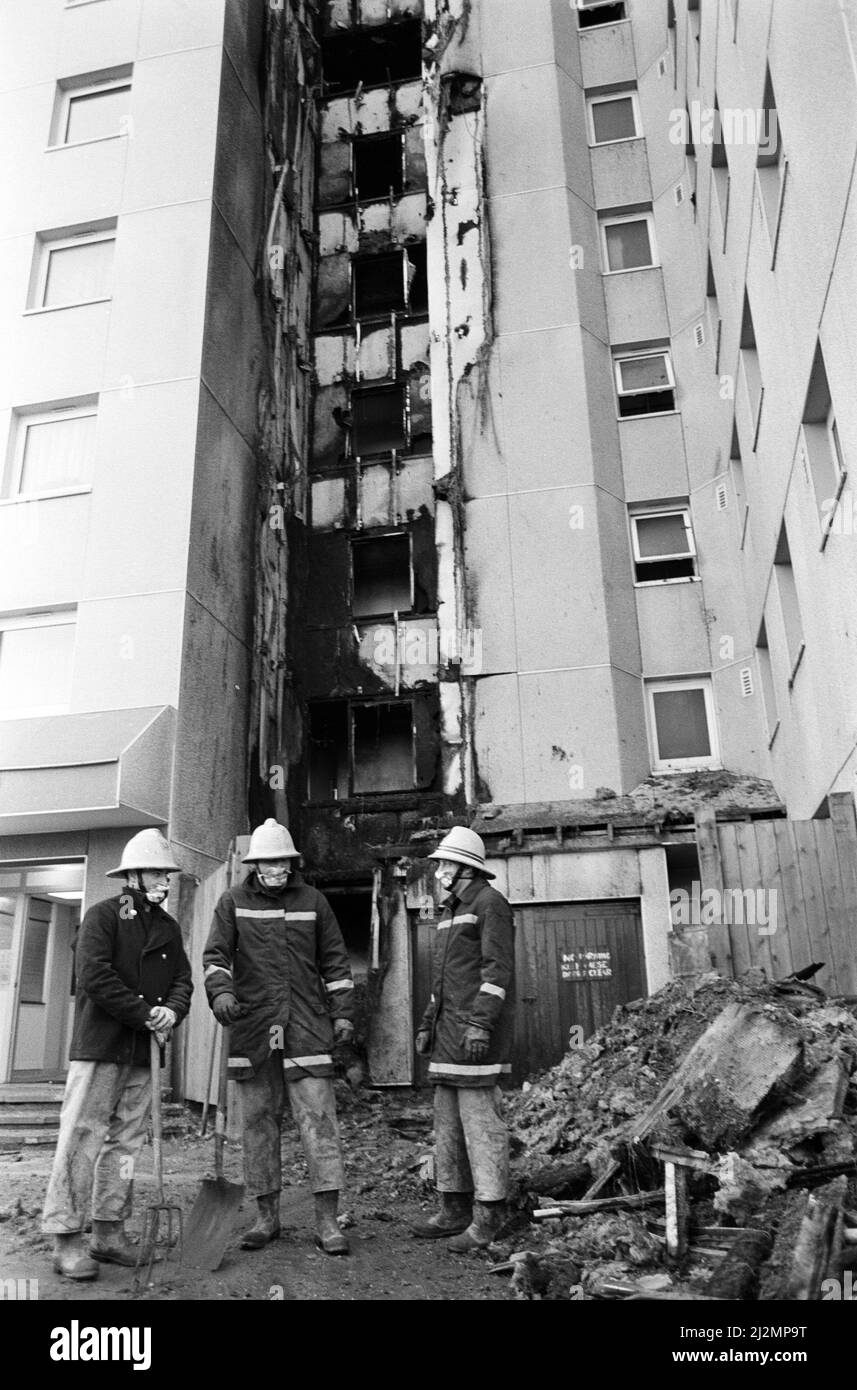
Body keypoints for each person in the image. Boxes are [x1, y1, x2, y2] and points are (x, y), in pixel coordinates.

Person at [41, 829, 193, 1280]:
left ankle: (109, 1231)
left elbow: (182, 980)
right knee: (81, 1138)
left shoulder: (168, 927)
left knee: (126, 1145)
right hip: (101, 1047)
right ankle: (66, 1238)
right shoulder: (104, 916)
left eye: (166, 872)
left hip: (143, 1054)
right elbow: (94, 976)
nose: (164, 880)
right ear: (132, 876)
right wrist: (146, 1014)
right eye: (155, 872)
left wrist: (172, 1011)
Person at [203, 819, 355, 1255]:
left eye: (285, 862)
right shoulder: (232, 902)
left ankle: (327, 1223)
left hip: (307, 1028)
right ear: (255, 865)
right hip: (255, 1030)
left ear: (292, 863)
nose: (279, 869)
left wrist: (343, 1013)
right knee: (257, 1126)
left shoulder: (314, 902)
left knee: (320, 1123)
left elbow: (336, 963)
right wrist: (222, 995)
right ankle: (267, 1218)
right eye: (270, 862)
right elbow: (215, 958)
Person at [412, 826, 515, 1252]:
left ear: (464, 867)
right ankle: (454, 1208)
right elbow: (443, 981)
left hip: (474, 1039)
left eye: (443, 864)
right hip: (448, 1039)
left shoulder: (491, 904)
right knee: (448, 1128)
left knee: (481, 1127)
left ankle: (490, 1217)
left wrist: (481, 1024)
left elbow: (497, 974)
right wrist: (426, 1023)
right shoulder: (450, 910)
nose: (438, 870)